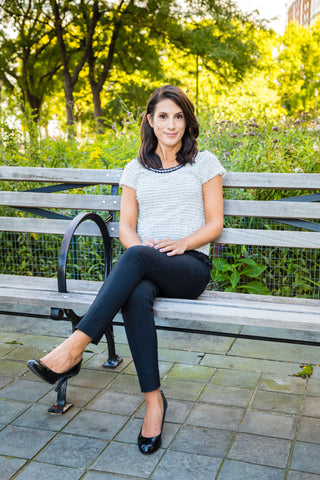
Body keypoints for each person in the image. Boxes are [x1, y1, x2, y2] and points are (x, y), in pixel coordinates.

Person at [27, 84, 225, 455]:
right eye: (163, 116)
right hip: (146, 265)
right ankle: (154, 401)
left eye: (179, 116)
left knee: (135, 261)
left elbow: (215, 224)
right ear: (149, 121)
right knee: (135, 291)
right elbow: (126, 229)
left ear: (188, 121)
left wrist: (182, 244)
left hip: (189, 268)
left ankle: (73, 349)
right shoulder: (135, 169)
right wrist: (144, 255)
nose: (171, 124)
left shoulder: (205, 162)